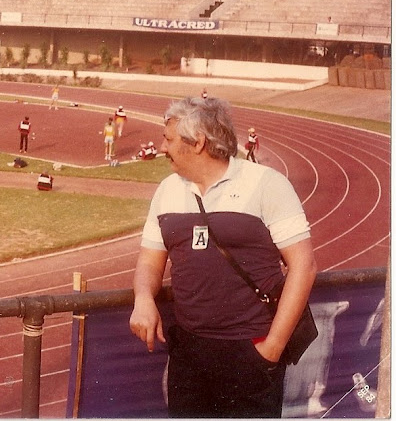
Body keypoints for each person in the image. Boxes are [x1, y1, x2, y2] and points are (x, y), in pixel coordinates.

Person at [129, 96, 316, 418]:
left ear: (198, 142)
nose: (162, 148)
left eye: (169, 139)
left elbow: (304, 266)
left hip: (251, 347)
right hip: (190, 350)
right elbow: (149, 261)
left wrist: (272, 348)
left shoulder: (266, 184)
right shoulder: (167, 190)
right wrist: (144, 298)